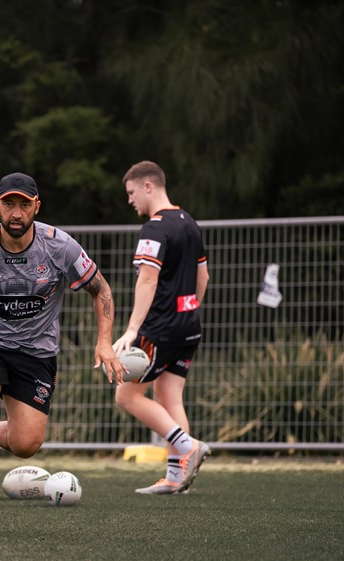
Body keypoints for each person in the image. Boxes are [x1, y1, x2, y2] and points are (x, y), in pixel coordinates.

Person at [0, 172, 124, 538]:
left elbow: (101, 290)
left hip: (36, 351)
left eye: (24, 204)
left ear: (37, 207)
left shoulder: (59, 246)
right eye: (9, 204)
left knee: (26, 444)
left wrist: (105, 341)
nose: (16, 213)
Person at [112, 160, 211, 495]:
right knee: (169, 397)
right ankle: (176, 478)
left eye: (131, 192)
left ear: (148, 186)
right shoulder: (189, 223)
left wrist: (131, 330)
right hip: (189, 326)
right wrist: (189, 311)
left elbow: (148, 280)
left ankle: (187, 446)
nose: (130, 200)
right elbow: (203, 277)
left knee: (126, 395)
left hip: (160, 328)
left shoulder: (154, 228)